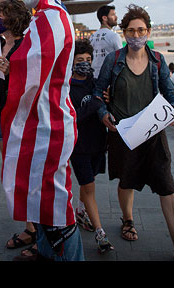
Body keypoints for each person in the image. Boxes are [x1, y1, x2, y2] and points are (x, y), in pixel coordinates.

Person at [94, 4, 174, 261]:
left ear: (149, 31)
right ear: (124, 32)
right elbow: (98, 93)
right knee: (126, 180)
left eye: (141, 30)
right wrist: (102, 113)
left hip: (152, 132)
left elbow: (170, 90)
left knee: (167, 185)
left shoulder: (157, 60)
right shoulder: (114, 60)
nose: (136, 34)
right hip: (123, 133)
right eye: (131, 30)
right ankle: (128, 220)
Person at [0, 0, 84, 261]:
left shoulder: (49, 17)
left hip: (48, 123)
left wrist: (12, 67)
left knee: (53, 203)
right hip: (48, 120)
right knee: (45, 202)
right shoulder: (49, 16)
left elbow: (33, 72)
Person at [0, 0, 37, 252]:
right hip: (0, 113)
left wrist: (12, 71)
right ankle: (31, 227)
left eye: (2, 15)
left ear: (14, 19)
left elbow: (33, 77)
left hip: (20, 115)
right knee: (13, 171)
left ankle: (40, 228)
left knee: (27, 172)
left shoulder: (26, 45)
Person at [69, 39, 113, 254]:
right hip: (79, 147)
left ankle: (80, 211)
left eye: (88, 59)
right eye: (80, 60)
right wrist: (93, 104)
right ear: (71, 61)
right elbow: (71, 117)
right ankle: (100, 232)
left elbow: (103, 105)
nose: (85, 63)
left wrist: (106, 100)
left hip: (97, 143)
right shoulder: (66, 87)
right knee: (89, 188)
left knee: (90, 183)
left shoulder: (95, 84)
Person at [90, 4, 122, 78]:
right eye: (113, 15)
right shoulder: (114, 36)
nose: (116, 17)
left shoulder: (92, 37)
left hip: (93, 77)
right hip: (109, 78)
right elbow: (121, 58)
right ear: (104, 18)